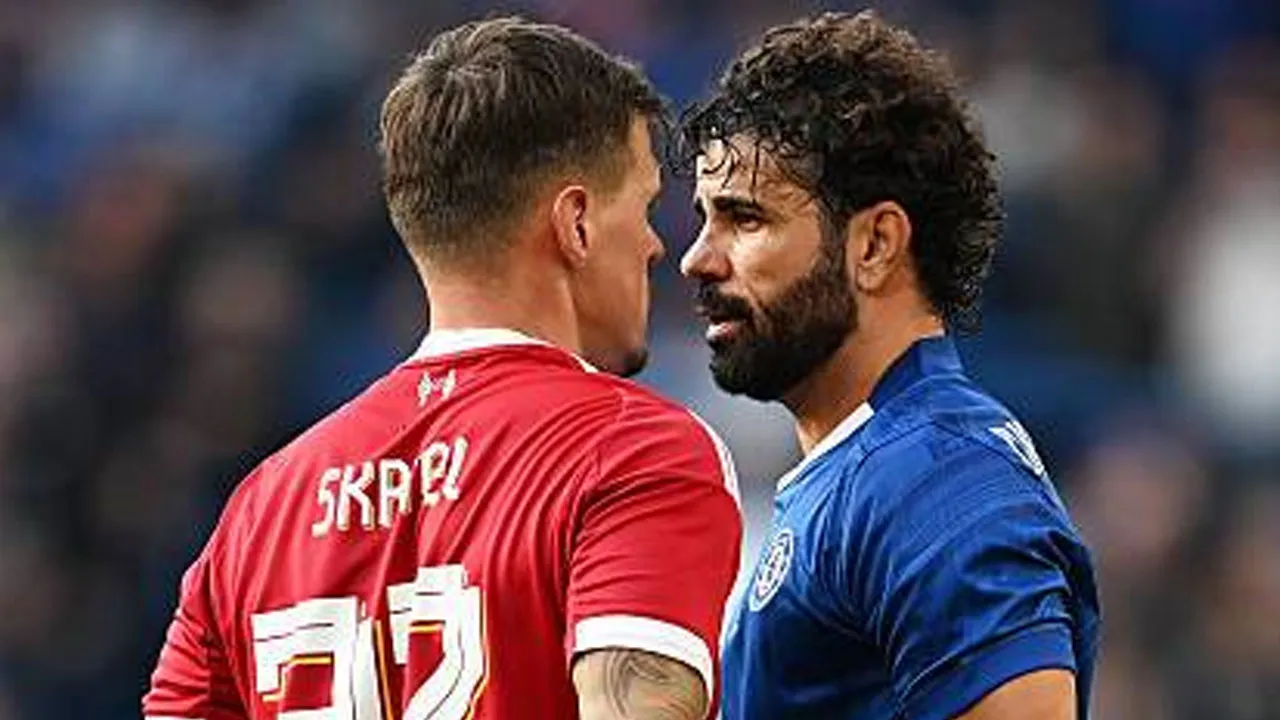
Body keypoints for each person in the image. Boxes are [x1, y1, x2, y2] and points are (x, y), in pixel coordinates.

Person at [144, 17, 742, 720]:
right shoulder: (633, 453)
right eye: (643, 207)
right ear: (575, 223)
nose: (653, 246)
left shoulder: (260, 511)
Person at [679, 11, 1099, 720]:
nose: (698, 257)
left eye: (745, 219)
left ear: (874, 244)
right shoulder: (876, 466)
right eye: (703, 218)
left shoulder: (939, 478)